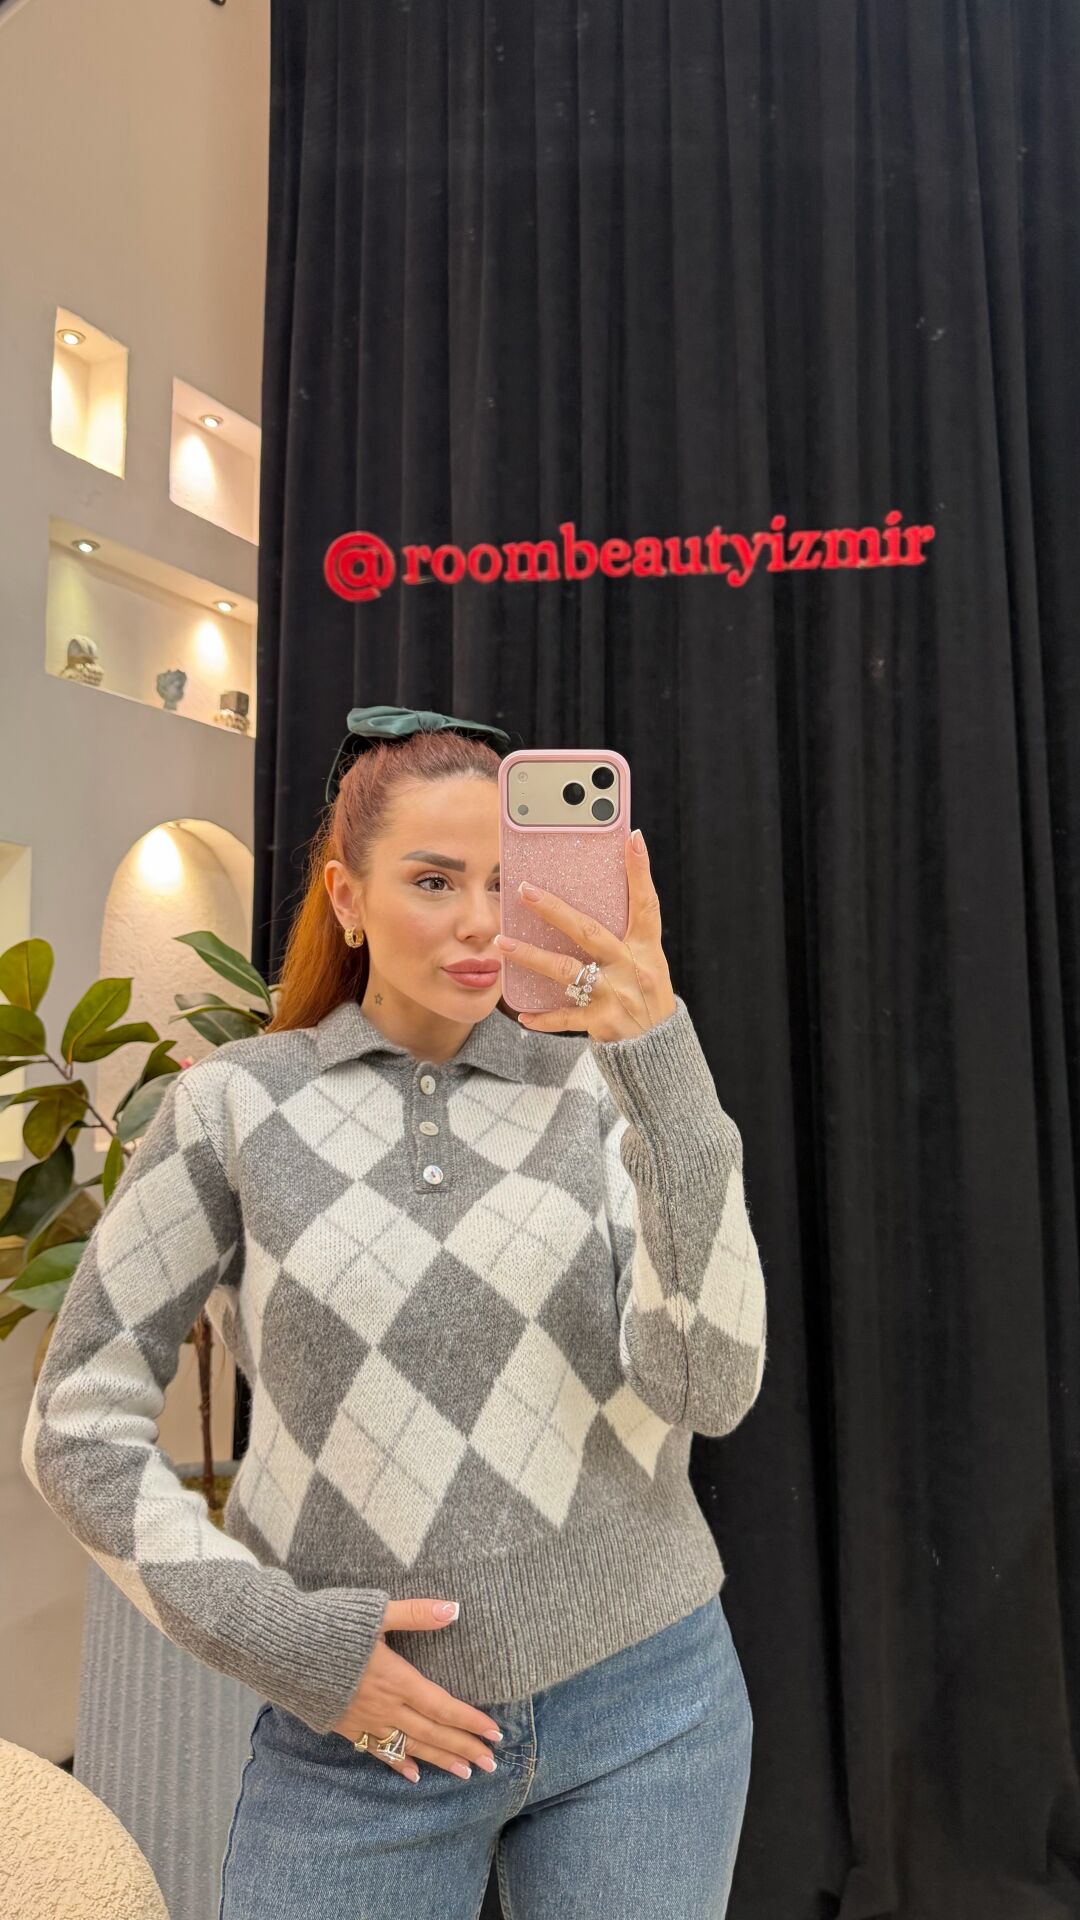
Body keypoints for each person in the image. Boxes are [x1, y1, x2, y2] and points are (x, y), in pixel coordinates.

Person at [21, 706, 768, 1919]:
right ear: (347, 896)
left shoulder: (601, 1090)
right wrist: (287, 1642)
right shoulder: (232, 1111)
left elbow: (708, 1387)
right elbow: (74, 1426)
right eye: (433, 880)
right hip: (359, 1745)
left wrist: (665, 1067)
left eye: (507, 882)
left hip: (650, 1704)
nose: (481, 921)